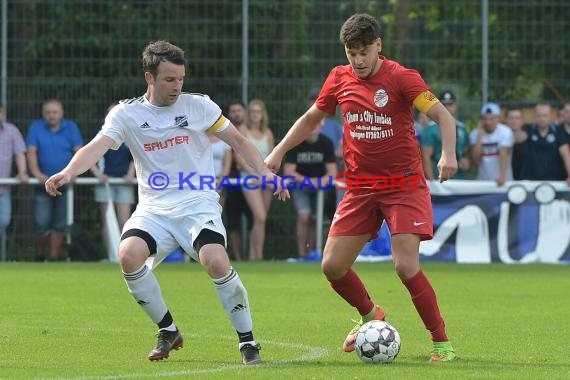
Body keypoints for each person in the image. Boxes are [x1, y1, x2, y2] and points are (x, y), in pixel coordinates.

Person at [44, 41, 289, 364]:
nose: (177, 86)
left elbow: (239, 141)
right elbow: (95, 147)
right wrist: (68, 171)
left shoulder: (199, 106)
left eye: (181, 79)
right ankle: (168, 330)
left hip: (197, 201)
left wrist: (265, 172)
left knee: (215, 260)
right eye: (169, 80)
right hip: (154, 208)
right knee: (128, 256)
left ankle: (247, 342)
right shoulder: (127, 114)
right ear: (150, 77)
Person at [265, 13, 457, 362]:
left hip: (404, 186)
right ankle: (371, 314)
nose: (359, 60)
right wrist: (278, 151)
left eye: (365, 51)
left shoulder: (401, 77)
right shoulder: (339, 78)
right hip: (360, 188)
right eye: (352, 52)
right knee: (332, 267)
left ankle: (442, 343)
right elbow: (312, 118)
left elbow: (443, 116)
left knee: (404, 265)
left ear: (378, 46)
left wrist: (448, 154)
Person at [26, 99, 83, 261]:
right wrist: (37, 174)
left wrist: (73, 174)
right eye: (48, 112)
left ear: (61, 113)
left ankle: (53, 259)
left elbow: (79, 152)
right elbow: (31, 152)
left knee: (60, 223)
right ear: (43, 113)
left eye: (55, 112)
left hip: (64, 184)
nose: (51, 115)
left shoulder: (71, 127)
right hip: (41, 185)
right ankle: (39, 257)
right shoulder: (36, 127)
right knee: (41, 223)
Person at [284, 122, 337, 260]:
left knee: (315, 218)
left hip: (320, 187)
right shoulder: (295, 143)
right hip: (300, 185)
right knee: (304, 216)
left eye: (316, 126)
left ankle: (312, 252)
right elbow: (289, 172)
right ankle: (302, 253)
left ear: (321, 127)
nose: (313, 129)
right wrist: (309, 181)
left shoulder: (326, 143)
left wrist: (321, 182)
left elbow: (332, 172)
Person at [90, 103, 136, 259]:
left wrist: (131, 175)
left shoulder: (131, 134)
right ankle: (112, 256)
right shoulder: (101, 134)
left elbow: (136, 158)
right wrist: (98, 175)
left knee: (125, 220)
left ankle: (127, 256)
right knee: (108, 220)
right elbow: (90, 156)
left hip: (124, 183)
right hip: (106, 183)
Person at [235, 99, 275, 261]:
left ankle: (256, 255)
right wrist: (256, 173)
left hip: (265, 177)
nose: (255, 115)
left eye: (258, 112)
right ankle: (256, 256)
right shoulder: (242, 130)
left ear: (262, 114)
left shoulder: (268, 132)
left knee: (261, 220)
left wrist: (266, 174)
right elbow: (239, 156)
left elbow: (273, 155)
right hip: (249, 177)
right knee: (260, 217)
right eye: (252, 112)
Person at [224, 99, 252, 261]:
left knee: (254, 218)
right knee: (233, 219)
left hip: (251, 180)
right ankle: (237, 257)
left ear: (244, 112)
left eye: (239, 110)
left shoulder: (251, 131)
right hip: (232, 181)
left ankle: (253, 255)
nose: (236, 113)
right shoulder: (223, 130)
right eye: (233, 111)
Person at [516, 102, 570, 183]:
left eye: (545, 115)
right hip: (529, 182)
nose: (542, 118)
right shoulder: (528, 129)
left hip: (552, 181)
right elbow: (519, 138)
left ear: (550, 116)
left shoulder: (558, 131)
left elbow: (565, 154)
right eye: (539, 115)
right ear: (534, 116)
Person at [0, 104, 29, 254]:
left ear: (2, 113)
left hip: (3, 189)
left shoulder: (11, 131)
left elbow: (20, 153)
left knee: (3, 222)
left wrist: (22, 172)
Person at [421, 91, 470, 180]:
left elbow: (466, 153)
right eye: (444, 105)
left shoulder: (461, 128)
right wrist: (432, 182)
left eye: (450, 104)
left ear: (455, 106)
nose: (447, 108)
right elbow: (426, 157)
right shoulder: (430, 129)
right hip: (438, 178)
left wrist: (466, 160)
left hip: (460, 179)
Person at [469, 102, 513, 186]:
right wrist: (479, 137)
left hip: (503, 181)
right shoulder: (475, 134)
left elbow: (504, 153)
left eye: (491, 119)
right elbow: (475, 159)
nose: (488, 122)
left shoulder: (506, 132)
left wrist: (502, 177)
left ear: (498, 119)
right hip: (483, 182)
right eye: (485, 119)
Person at [504, 106, 526, 180]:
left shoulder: (529, 138)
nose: (514, 121)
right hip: (504, 181)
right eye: (511, 118)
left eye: (517, 118)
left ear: (522, 121)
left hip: (524, 182)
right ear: (506, 120)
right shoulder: (499, 138)